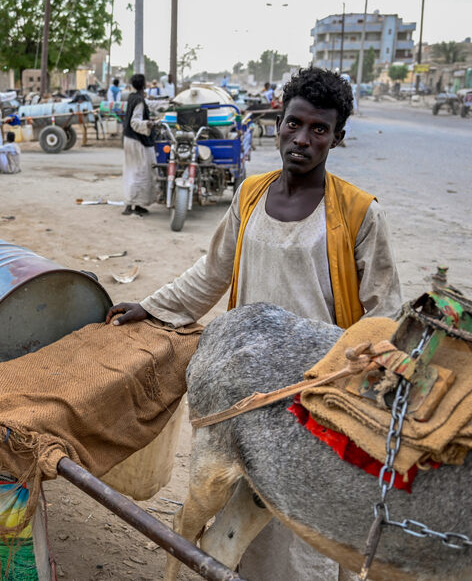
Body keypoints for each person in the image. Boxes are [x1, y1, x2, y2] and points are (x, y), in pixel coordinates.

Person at [106, 66, 402, 581]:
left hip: (317, 400)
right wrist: (152, 307)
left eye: (319, 129)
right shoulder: (250, 196)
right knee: (235, 514)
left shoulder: (359, 214)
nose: (302, 139)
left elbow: (384, 315)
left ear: (338, 137)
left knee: (300, 535)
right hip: (247, 389)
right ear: (277, 123)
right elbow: (211, 272)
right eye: (293, 124)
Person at [120, 73, 156, 217]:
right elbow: (135, 122)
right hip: (136, 141)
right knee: (139, 172)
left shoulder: (132, 97)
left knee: (133, 171)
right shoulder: (139, 101)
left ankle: (137, 204)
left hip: (129, 139)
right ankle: (131, 204)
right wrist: (148, 124)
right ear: (144, 84)